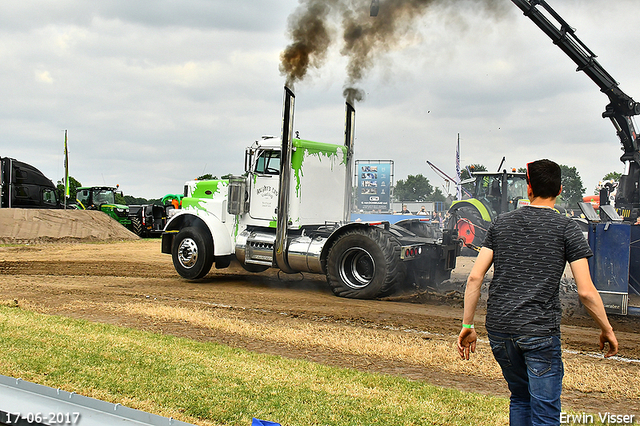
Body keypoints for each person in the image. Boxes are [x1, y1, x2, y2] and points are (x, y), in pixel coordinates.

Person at [456, 159, 618, 426]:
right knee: (545, 412)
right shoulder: (567, 229)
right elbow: (586, 292)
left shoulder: (500, 224)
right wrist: (606, 329)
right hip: (539, 333)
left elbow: (475, 277)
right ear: (561, 189)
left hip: (500, 331)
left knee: (520, 398)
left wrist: (467, 324)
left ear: (528, 190)